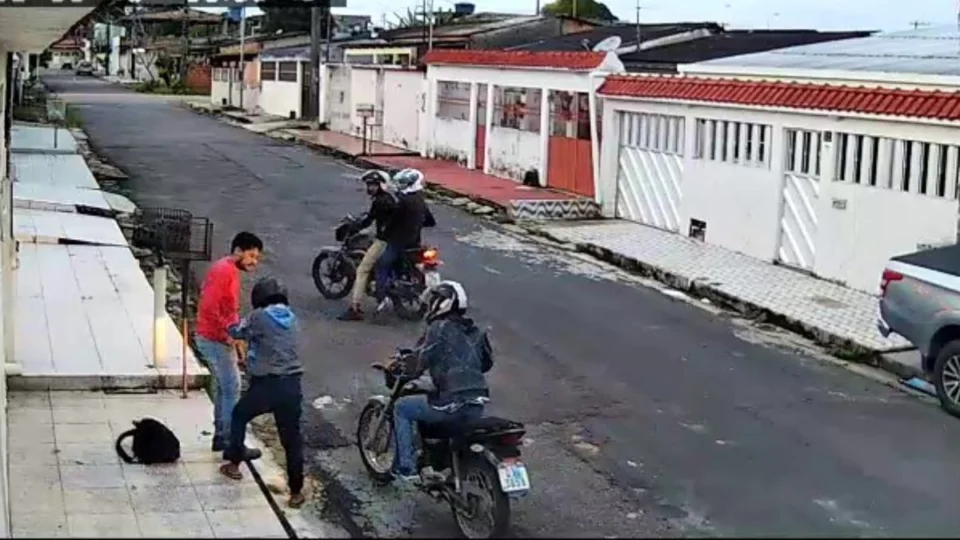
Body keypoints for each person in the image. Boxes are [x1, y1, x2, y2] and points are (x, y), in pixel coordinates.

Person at [391, 280, 492, 481]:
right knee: (451, 422)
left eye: (434, 300)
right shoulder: (475, 330)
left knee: (402, 408)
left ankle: (407, 469)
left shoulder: (439, 327)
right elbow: (486, 363)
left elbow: (421, 361)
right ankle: (444, 463)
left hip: (453, 402)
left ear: (443, 303)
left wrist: (405, 369)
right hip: (478, 400)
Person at [219, 276, 306, 509]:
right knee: (291, 439)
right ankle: (296, 492)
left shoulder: (259, 316)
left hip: (268, 385)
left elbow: (237, 332)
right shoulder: (293, 318)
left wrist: (229, 321)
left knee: (239, 414)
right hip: (292, 386)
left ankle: (234, 464)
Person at [194, 231, 264, 458]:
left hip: (219, 337)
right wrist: (230, 334)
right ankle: (231, 442)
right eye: (251, 256)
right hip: (214, 338)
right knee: (232, 388)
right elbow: (211, 306)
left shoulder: (228, 270)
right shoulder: (225, 271)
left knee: (225, 388)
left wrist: (236, 337)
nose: (254, 262)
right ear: (238, 251)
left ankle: (222, 437)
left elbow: (228, 309)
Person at [338, 170, 398, 321]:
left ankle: (355, 308)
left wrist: (353, 227)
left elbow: (368, 220)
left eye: (373, 185)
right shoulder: (390, 199)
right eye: (369, 185)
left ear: (381, 185)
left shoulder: (380, 201)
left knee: (362, 270)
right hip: (397, 238)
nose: (370, 188)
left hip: (384, 240)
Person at [373, 168, 436, 313]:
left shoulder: (403, 201)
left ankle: (381, 297)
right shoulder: (420, 200)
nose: (401, 186)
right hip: (415, 242)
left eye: (404, 183)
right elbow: (430, 221)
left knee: (381, 265)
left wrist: (384, 233)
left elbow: (393, 222)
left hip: (399, 242)